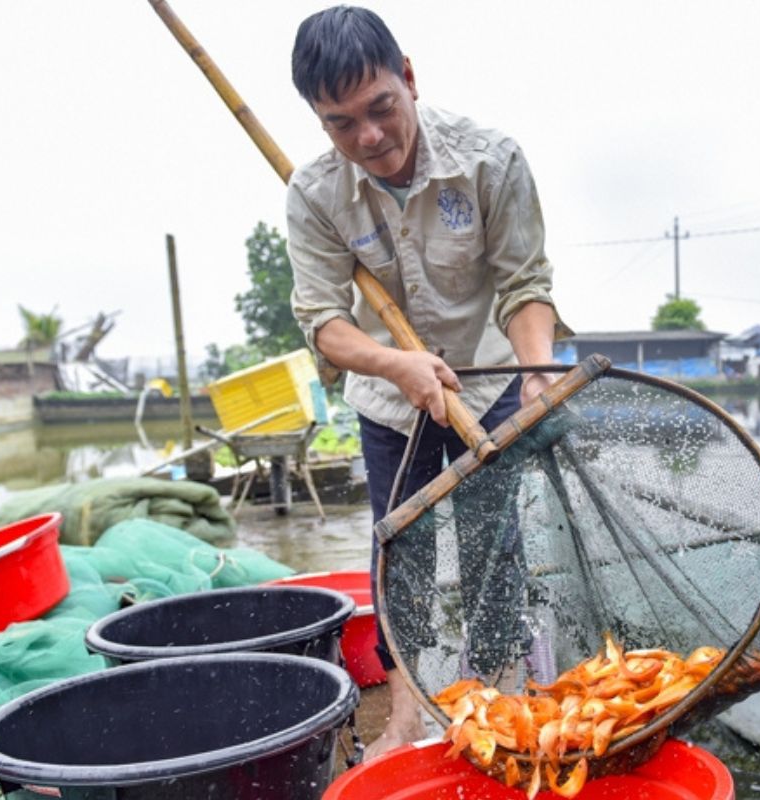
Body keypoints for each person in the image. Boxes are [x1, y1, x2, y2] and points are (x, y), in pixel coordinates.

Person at [286, 5, 565, 761]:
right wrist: (394, 363)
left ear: (408, 78)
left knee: (491, 550)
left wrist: (537, 369)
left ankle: (497, 698)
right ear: (320, 123)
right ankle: (405, 720)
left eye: (381, 108)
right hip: (388, 402)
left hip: (487, 385)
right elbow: (321, 321)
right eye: (342, 124)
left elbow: (523, 284)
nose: (369, 137)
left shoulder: (489, 161)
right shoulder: (315, 195)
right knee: (399, 555)